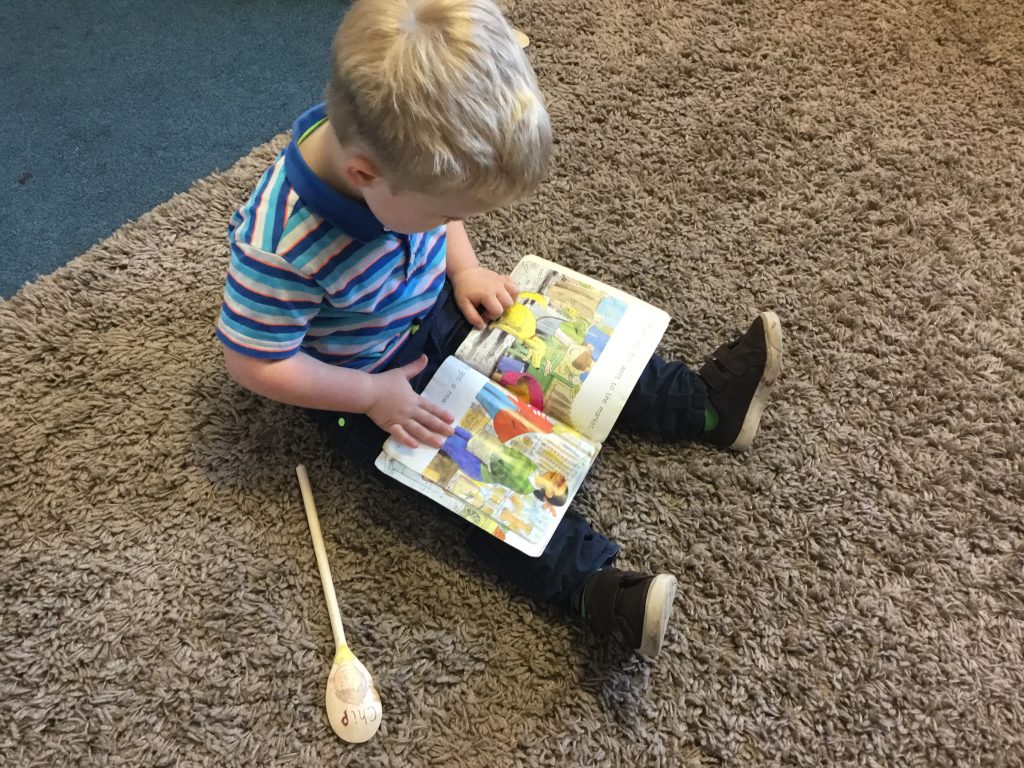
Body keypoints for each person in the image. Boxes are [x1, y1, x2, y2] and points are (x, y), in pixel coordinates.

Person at [215, 0, 783, 659]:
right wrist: (369, 396)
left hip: (440, 304)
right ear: (366, 175)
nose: (450, 222)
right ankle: (594, 591)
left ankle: (704, 405)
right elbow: (253, 361)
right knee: (480, 471)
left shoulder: (398, 159)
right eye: (444, 215)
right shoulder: (279, 248)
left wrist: (463, 266)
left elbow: (437, 212)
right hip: (367, 379)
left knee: (557, 346)